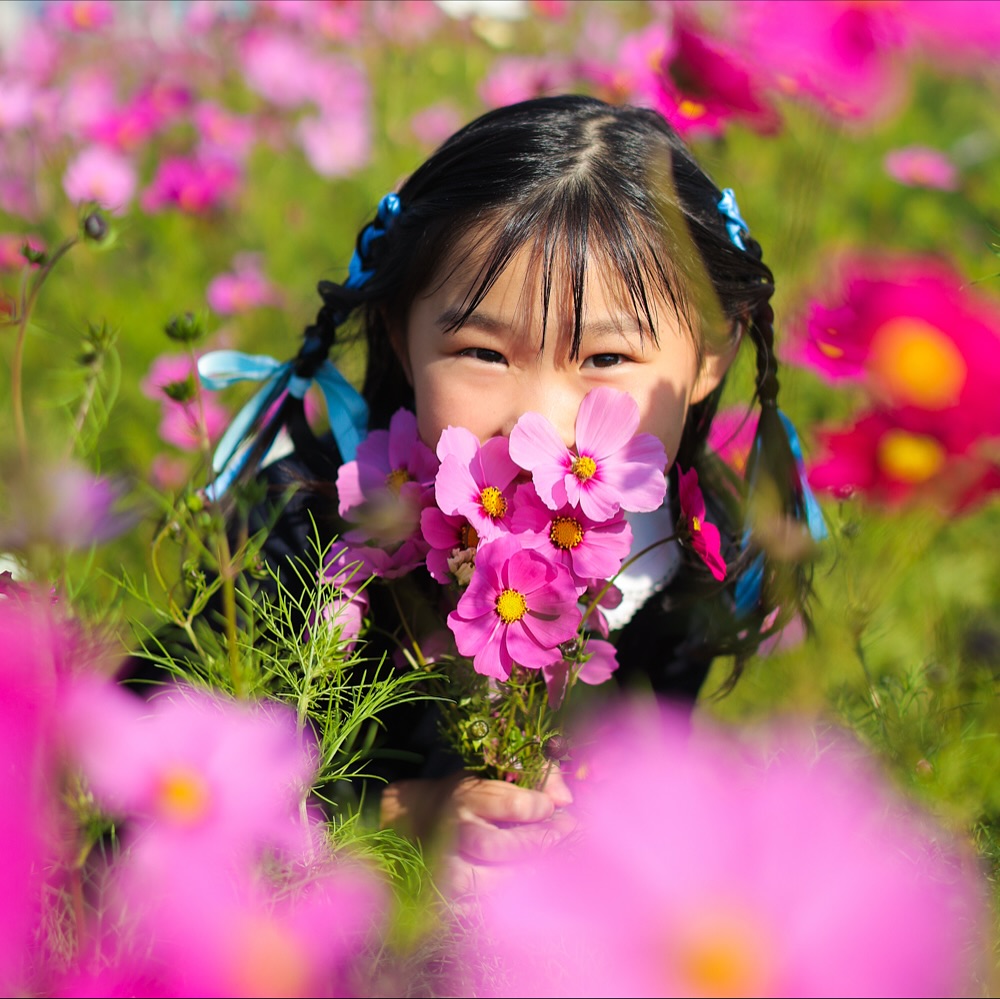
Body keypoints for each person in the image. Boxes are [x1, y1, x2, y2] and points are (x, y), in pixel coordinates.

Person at [146, 95, 823, 886]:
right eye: (484, 352)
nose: (538, 422)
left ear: (711, 355)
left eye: (605, 359)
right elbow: (145, 808)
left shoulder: (689, 554)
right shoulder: (302, 527)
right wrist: (401, 818)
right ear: (400, 332)